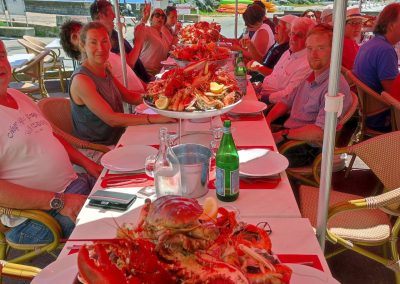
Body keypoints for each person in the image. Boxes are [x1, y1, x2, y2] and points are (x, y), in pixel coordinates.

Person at [0, 40, 101, 244]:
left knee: (129, 192)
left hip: (75, 186)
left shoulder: (19, 96)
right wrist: (59, 201)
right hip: (36, 218)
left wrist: (87, 163)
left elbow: (49, 136)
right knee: (112, 225)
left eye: (1, 55)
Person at [69, 22, 174, 146]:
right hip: (99, 148)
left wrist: (166, 97)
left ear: (110, 43)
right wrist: (155, 119)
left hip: (120, 136)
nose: (101, 48)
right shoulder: (82, 80)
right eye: (93, 42)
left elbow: (129, 96)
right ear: (83, 45)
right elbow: (111, 119)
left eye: (104, 41)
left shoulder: (103, 68)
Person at [266, 24, 352, 167]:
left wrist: (283, 134)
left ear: (334, 51)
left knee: (262, 161)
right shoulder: (311, 75)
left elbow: (320, 133)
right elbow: (286, 101)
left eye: (321, 48)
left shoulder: (334, 87)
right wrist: (268, 120)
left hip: (309, 147)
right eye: (310, 48)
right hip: (290, 133)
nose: (314, 54)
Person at [60, 20, 145, 93]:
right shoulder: (86, 75)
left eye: (82, 32)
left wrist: (147, 88)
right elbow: (109, 109)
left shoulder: (105, 58)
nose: (80, 36)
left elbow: (129, 72)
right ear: (73, 47)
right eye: (75, 37)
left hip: (141, 95)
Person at [353, 2, 400, 132]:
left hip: (368, 113)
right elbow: (393, 94)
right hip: (382, 117)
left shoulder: (371, 44)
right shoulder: (385, 50)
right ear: (391, 26)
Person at [90, 0, 152, 83]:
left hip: (143, 80)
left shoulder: (112, 33)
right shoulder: (103, 40)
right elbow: (127, 65)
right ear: (101, 15)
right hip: (136, 86)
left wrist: (143, 20)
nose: (115, 15)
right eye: (112, 12)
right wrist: (139, 41)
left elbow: (132, 54)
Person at [259, 17, 316, 104]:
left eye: (299, 35)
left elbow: (288, 95)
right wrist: (258, 87)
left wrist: (261, 98)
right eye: (292, 33)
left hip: (273, 104)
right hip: (262, 91)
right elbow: (274, 75)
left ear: (309, 39)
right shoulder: (288, 52)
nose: (293, 38)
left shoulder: (307, 64)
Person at [247, 14, 297, 82]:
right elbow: (263, 62)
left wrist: (258, 67)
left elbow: (277, 75)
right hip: (255, 77)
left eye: (279, 26)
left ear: (289, 32)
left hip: (262, 82)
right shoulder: (277, 44)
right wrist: (250, 45)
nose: (275, 28)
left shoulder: (287, 50)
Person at [137, 8, 172, 75]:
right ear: (151, 19)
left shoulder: (163, 35)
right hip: (146, 72)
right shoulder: (147, 30)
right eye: (157, 15)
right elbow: (138, 31)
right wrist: (144, 19)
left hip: (160, 72)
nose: (160, 18)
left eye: (163, 16)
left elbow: (167, 52)